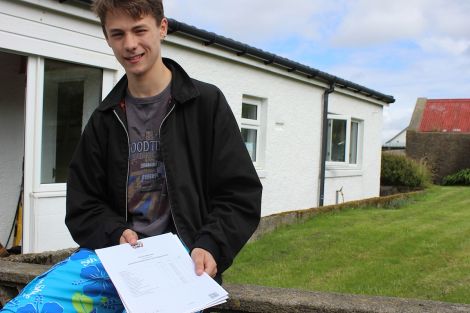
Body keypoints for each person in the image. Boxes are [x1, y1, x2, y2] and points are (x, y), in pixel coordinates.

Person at [0, 0, 261, 312]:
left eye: (140, 30)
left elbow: (240, 193)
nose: (130, 44)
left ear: (162, 28)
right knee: (23, 308)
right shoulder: (104, 118)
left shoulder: (206, 104)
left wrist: (211, 245)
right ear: (107, 38)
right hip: (116, 257)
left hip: (184, 260)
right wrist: (114, 232)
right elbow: (83, 205)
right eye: (118, 34)